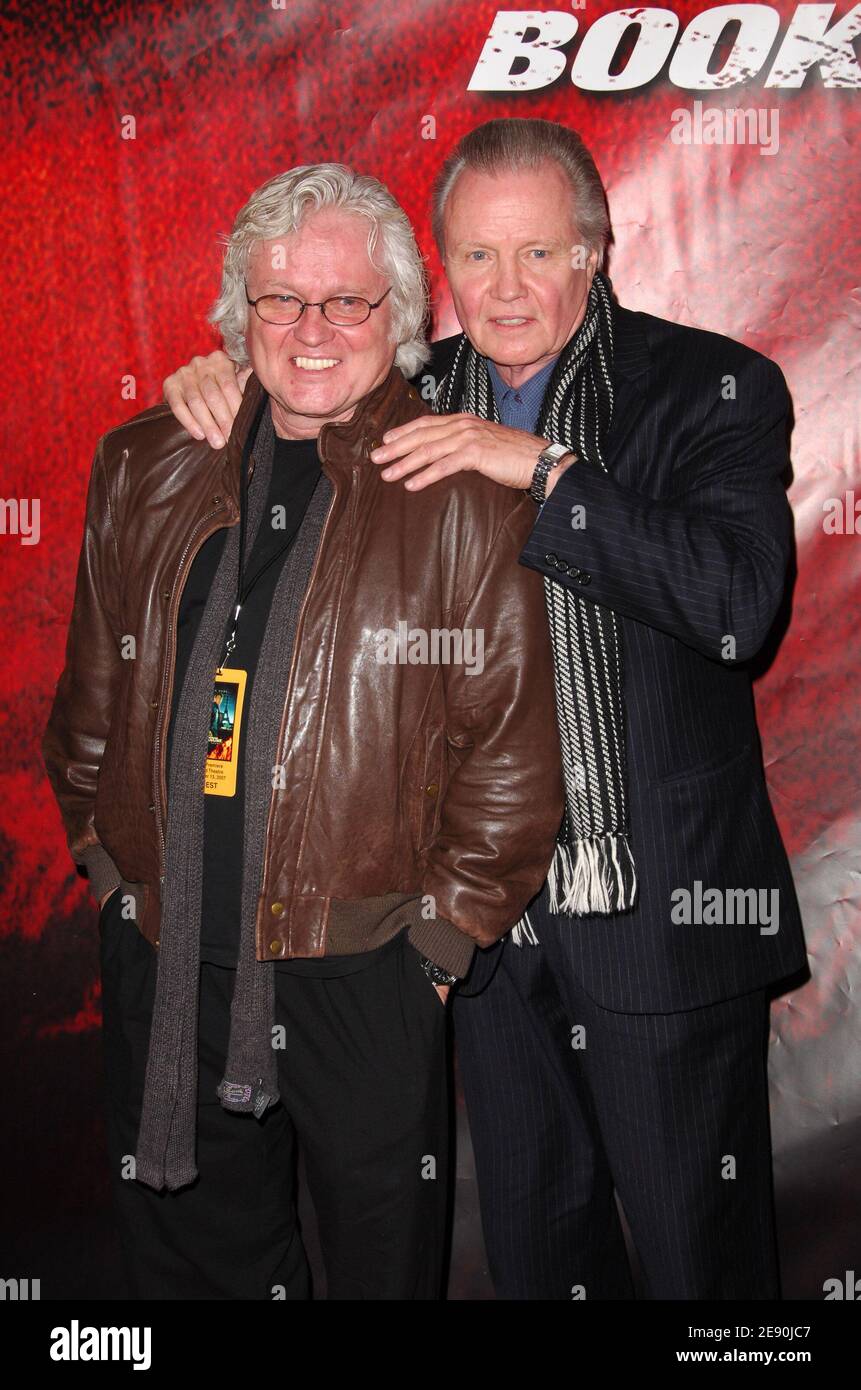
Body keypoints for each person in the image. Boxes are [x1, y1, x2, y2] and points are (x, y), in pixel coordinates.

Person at [163, 118, 809, 1301]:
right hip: (479, 930)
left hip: (655, 902)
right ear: (440, 267)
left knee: (696, 1264)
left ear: (597, 251)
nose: (505, 290)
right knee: (536, 1247)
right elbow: (288, 405)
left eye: (540, 255)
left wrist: (548, 476)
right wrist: (216, 381)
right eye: (475, 258)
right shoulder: (407, 400)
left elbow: (738, 602)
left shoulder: (709, 386)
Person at [41, 161, 564, 1300]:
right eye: (281, 298)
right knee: (196, 1265)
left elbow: (512, 762)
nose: (312, 329)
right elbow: (89, 697)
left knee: (381, 1270)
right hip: (169, 946)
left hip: (362, 966)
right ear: (243, 313)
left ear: (402, 315)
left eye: (347, 301)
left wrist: (434, 949)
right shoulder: (149, 460)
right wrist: (111, 873)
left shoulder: (461, 488)